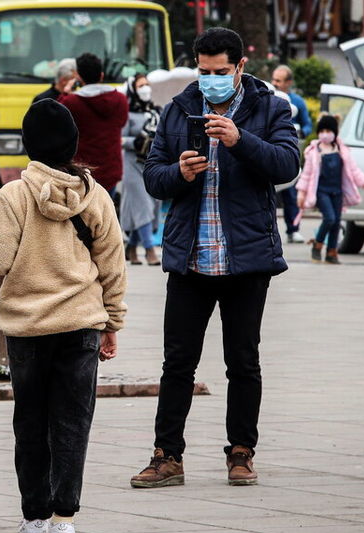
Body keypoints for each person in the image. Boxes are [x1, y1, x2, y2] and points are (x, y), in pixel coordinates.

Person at [132, 27, 299, 489]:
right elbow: (154, 176)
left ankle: (241, 452)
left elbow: (287, 165)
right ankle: (167, 456)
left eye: (220, 72)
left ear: (240, 67)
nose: (211, 80)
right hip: (191, 258)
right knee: (177, 363)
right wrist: (179, 173)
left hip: (246, 260)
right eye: (204, 72)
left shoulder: (270, 107)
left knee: (243, 361)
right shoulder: (178, 109)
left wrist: (240, 139)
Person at [0, 99, 127, 533]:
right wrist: (111, 321)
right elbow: (113, 264)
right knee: (73, 422)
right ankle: (64, 518)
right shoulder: (95, 195)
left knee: (31, 421)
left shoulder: (15, 195)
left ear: (28, 146)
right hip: (81, 324)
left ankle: (34, 516)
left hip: (28, 328)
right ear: (74, 145)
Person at [297, 114, 364, 265]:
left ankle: (331, 252)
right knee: (329, 218)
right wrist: (301, 193)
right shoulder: (314, 152)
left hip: (337, 192)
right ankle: (318, 243)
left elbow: (354, 170)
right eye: (322, 130)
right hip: (322, 191)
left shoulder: (342, 150)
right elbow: (307, 175)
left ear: (334, 132)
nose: (325, 134)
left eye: (329, 130)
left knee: (336, 222)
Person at [59, 53, 128, 196]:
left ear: (79, 76)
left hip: (82, 172)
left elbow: (58, 121)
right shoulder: (120, 99)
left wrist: (65, 93)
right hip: (111, 170)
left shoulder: (71, 102)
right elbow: (122, 123)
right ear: (101, 75)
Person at [120, 73, 161, 265]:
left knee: (152, 206)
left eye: (147, 84)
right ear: (133, 89)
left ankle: (131, 248)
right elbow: (119, 139)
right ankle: (149, 250)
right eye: (141, 85)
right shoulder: (126, 113)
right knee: (143, 205)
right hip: (131, 164)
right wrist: (134, 142)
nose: (146, 89)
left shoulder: (155, 112)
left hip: (150, 164)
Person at [271, 65, 312, 243]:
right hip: (268, 152)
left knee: (290, 193)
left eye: (279, 81)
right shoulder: (266, 98)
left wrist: (299, 131)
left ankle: (293, 229)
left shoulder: (297, 102)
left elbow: (308, 125)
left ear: (289, 82)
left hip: (288, 152)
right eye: (274, 80)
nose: (275, 84)